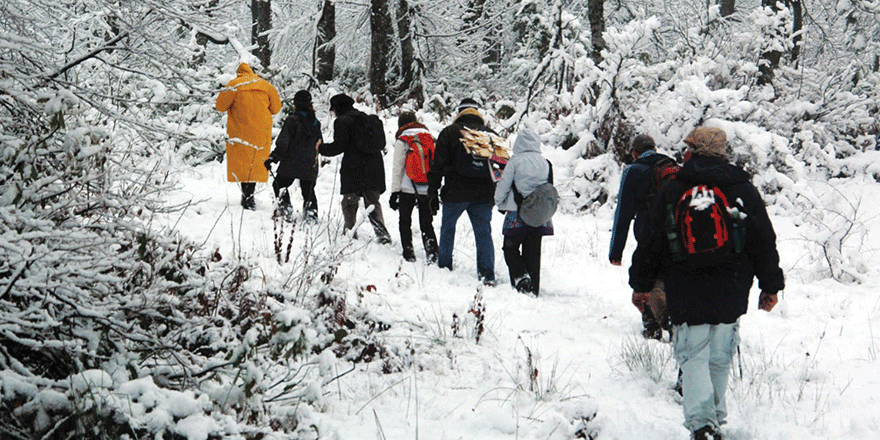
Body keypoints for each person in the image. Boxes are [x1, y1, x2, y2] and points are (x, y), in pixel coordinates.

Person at [629, 126, 785, 440]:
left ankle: (703, 425)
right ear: (723, 153)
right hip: (733, 284)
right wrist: (770, 285)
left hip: (686, 284)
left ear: (691, 152)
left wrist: (641, 283)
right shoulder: (742, 188)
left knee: (693, 354)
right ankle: (714, 418)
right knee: (720, 353)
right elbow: (763, 238)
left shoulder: (674, 188)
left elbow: (651, 240)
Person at [609, 134, 677, 339]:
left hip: (649, 232)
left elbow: (623, 213)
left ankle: (653, 324)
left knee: (644, 280)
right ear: (655, 150)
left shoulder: (634, 171)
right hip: (676, 233)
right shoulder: (674, 167)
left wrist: (616, 251)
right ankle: (674, 320)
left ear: (635, 153)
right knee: (668, 278)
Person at [427, 98, 497, 285]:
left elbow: (438, 166)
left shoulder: (449, 133)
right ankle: (487, 275)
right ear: (477, 113)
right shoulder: (491, 134)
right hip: (483, 195)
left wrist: (432, 192)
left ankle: (444, 268)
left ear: (459, 112)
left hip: (455, 192)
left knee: (448, 230)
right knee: (483, 234)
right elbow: (500, 167)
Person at [318, 93, 392, 243]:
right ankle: (383, 235)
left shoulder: (342, 122)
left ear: (338, 108)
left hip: (354, 168)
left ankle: (350, 233)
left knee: (349, 203)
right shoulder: (367, 119)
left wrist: (321, 148)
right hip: (374, 168)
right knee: (372, 203)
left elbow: (339, 146)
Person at [494, 129, 554, 296]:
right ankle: (533, 288)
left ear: (518, 143)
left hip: (517, 213)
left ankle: (521, 278)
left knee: (510, 248)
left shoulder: (515, 161)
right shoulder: (546, 163)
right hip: (539, 215)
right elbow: (549, 189)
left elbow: (504, 185)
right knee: (533, 252)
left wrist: (499, 202)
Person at [215, 62, 282, 210]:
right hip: (261, 130)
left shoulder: (234, 85)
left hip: (240, 130)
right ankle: (249, 195)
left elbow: (220, 106)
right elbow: (276, 109)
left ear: (239, 73)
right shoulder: (265, 85)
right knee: (256, 161)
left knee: (243, 162)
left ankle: (246, 196)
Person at [264, 90, 323, 220]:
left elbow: (283, 143)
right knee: (308, 190)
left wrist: (273, 158)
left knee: (279, 185)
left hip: (291, 161)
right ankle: (311, 214)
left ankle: (285, 210)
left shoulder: (292, 120)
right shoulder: (316, 122)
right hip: (310, 162)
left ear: (295, 103)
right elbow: (320, 143)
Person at [389, 111, 439, 262]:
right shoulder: (430, 138)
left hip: (407, 187)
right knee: (426, 222)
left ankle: (408, 251)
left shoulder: (403, 140)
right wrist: (435, 190)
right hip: (426, 188)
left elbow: (398, 168)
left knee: (405, 220)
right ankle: (432, 252)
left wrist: (394, 192)